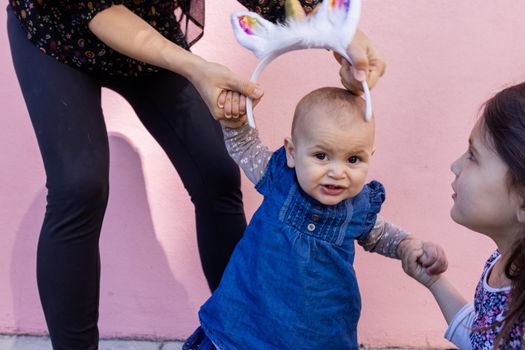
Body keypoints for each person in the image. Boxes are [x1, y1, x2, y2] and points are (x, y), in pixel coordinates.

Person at [6, 0, 385, 348]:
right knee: (79, 185)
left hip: (144, 28)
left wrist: (333, 27)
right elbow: (97, 8)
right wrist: (195, 67)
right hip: (57, 36)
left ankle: (240, 335)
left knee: (217, 173)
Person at [183, 87, 447, 350]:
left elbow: (379, 234)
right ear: (291, 152)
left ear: (370, 157)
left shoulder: (357, 208)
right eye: (321, 156)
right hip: (248, 320)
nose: (337, 172)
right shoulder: (278, 177)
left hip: (316, 334)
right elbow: (244, 146)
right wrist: (235, 124)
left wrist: (406, 246)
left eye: (353, 159)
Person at [400, 82, 525, 349]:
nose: (455, 165)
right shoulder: (501, 263)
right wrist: (433, 281)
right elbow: (482, 338)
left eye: (473, 157)